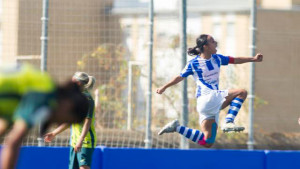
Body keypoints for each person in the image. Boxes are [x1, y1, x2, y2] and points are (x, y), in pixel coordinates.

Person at [156, 34, 263, 148]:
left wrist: (253, 59)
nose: (216, 43)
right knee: (242, 92)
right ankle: (228, 121)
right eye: (213, 41)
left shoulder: (217, 58)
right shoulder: (194, 63)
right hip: (208, 97)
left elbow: (235, 60)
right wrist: (164, 87)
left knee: (208, 141)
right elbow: (179, 77)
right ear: (206, 46)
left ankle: (177, 127)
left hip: (207, 104)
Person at [0, 64, 89, 169]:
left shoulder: (42, 88)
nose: (59, 123)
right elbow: (13, 142)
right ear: (69, 105)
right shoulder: (45, 95)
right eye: (67, 120)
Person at [44, 72, 96, 169]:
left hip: (85, 140)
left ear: (79, 83)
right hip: (74, 141)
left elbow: (87, 122)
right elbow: (70, 122)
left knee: (83, 166)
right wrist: (54, 133)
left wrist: (81, 140)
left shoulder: (87, 99)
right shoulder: (76, 99)